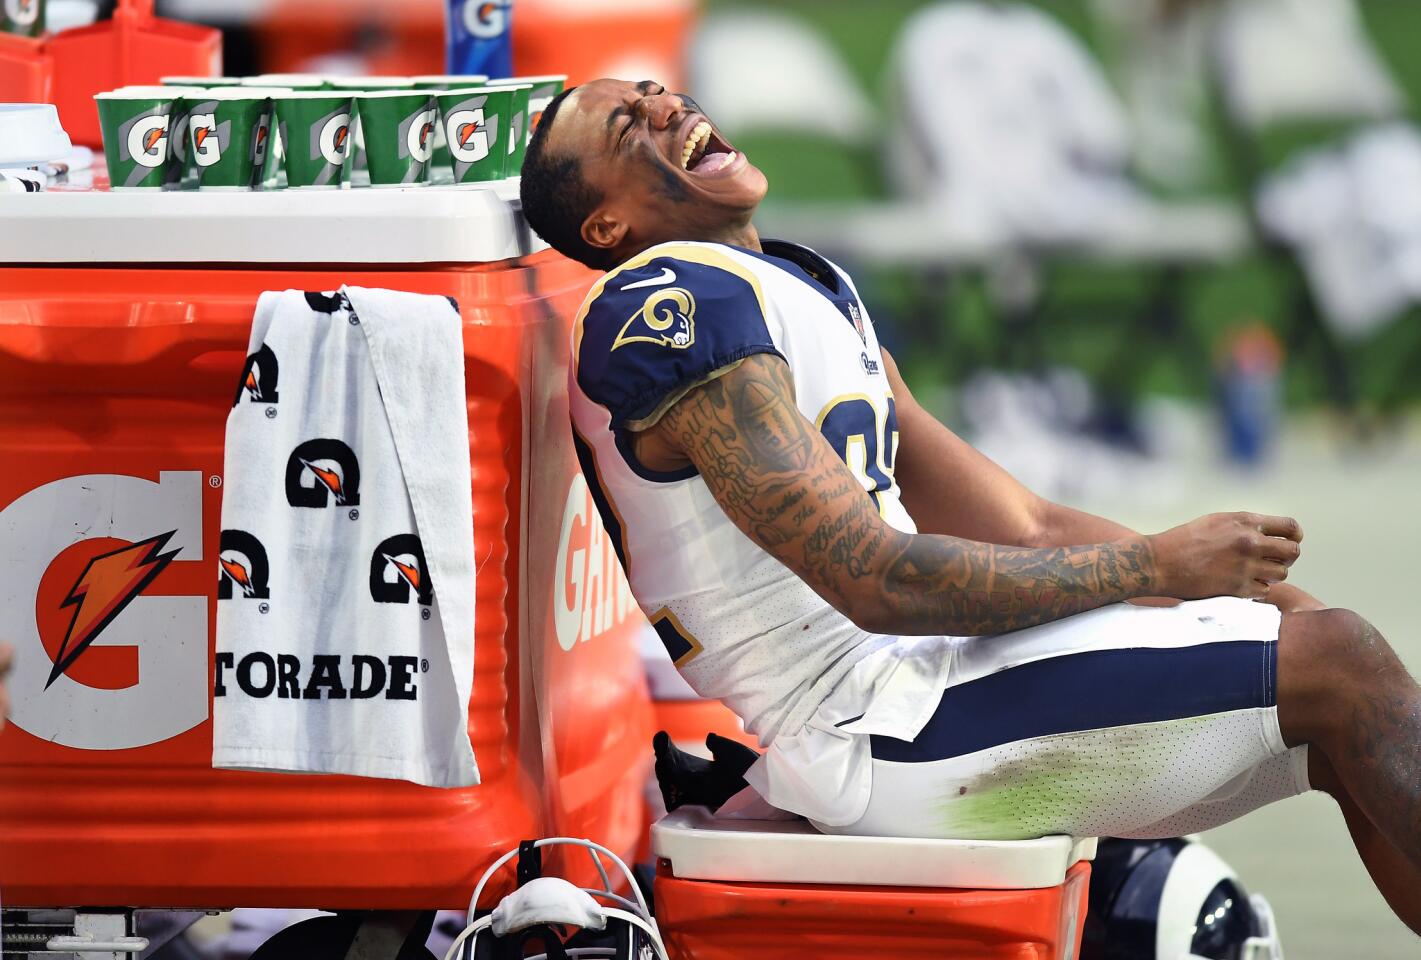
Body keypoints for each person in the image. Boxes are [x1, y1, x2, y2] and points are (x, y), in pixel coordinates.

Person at [521, 79, 1421, 932]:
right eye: (623, 127)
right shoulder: (660, 304)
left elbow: (1023, 524)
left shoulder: (797, 281)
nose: (660, 103)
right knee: (1337, 666)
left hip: (922, 679)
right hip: (867, 726)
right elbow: (873, 580)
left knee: (1322, 652)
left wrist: (1224, 590)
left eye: (648, 90)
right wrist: (1154, 566)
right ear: (609, 223)